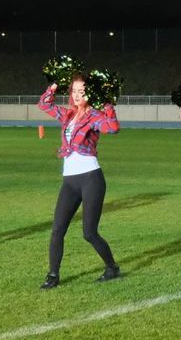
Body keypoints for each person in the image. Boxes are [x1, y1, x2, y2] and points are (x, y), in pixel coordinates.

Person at [37, 76, 121, 289]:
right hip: (70, 181)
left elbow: (112, 127)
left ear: (90, 93)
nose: (76, 95)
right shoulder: (68, 114)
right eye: (74, 90)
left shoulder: (94, 115)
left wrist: (107, 103)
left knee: (89, 233)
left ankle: (112, 268)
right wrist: (55, 82)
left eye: (81, 91)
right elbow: (44, 104)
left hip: (91, 178)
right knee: (57, 229)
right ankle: (53, 275)